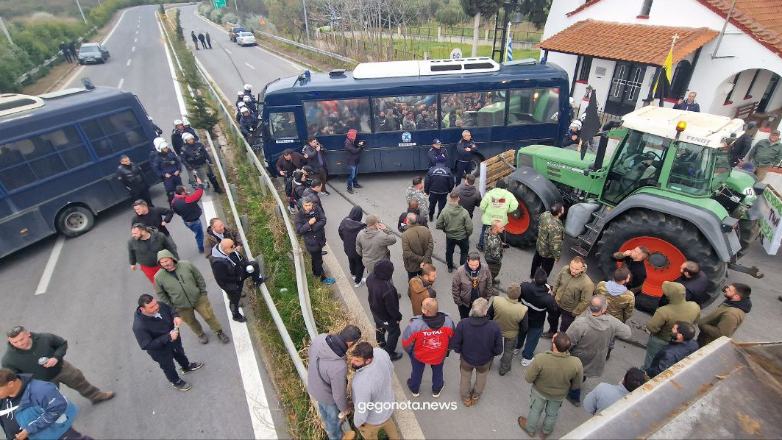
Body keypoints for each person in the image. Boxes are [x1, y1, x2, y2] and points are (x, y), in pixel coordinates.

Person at [3, 327, 114, 405]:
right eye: (15, 342)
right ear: (10, 341)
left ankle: (96, 396)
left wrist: (56, 357)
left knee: (79, 381)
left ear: (28, 334)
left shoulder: (45, 338)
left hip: (61, 368)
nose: (20, 344)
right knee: (51, 401)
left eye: (22, 339)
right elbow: (14, 377)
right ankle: (60, 419)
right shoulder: (9, 359)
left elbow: (62, 344)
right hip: (42, 382)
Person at [565, 295, 632, 406]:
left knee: (574, 373)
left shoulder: (580, 323)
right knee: (583, 374)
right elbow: (628, 333)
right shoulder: (611, 322)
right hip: (596, 357)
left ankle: (574, 395)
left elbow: (568, 342)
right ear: (604, 309)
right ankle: (577, 385)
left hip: (578, 356)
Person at [154, 250, 229, 344]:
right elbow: (161, 294)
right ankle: (200, 334)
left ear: (171, 258)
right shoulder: (158, 277)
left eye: (166, 261)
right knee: (191, 321)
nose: (165, 264)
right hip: (180, 306)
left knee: (209, 316)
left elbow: (198, 277)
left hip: (199, 298)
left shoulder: (186, 265)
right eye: (162, 262)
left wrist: (203, 292)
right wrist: (172, 306)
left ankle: (219, 332)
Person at [133, 294, 204, 391]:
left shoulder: (159, 305)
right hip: (160, 351)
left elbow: (171, 309)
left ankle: (186, 366)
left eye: (155, 304)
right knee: (168, 366)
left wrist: (176, 316)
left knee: (180, 353)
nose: (156, 307)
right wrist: (168, 337)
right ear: (142, 309)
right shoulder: (139, 326)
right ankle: (175, 381)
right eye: (151, 307)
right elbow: (146, 345)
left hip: (174, 340)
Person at [518, 332, 583, 439]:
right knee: (552, 414)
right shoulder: (576, 363)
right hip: (559, 395)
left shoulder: (541, 359)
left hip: (539, 391)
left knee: (535, 410)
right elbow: (577, 384)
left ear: (554, 345)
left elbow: (528, 378)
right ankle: (545, 432)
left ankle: (530, 429)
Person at [0, 369, 89, 440]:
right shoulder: (3, 397)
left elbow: (57, 409)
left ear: (11, 384)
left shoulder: (42, 390)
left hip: (56, 434)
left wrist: (28, 430)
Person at [307, 325, 361, 440]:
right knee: (333, 419)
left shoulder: (320, 338)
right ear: (351, 343)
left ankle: (326, 424)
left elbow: (309, 353)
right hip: (326, 396)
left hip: (312, 383)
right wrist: (345, 408)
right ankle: (336, 436)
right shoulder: (339, 367)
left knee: (323, 411)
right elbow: (338, 395)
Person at [451, 298, 502, 407]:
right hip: (484, 361)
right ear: (485, 311)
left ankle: (465, 398)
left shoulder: (463, 323)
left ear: (472, 309)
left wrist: (461, 352)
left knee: (465, 378)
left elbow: (455, 345)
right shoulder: (494, 326)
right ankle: (475, 396)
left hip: (466, 359)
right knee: (481, 379)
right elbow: (498, 349)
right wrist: (491, 354)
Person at [402, 298, 456, 398]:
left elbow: (406, 342)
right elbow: (452, 339)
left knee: (417, 371)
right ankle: (436, 389)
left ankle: (414, 389)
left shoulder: (415, 324)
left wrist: (411, 353)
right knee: (438, 371)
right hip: (439, 354)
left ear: (426, 311)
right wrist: (446, 351)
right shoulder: (448, 321)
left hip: (419, 355)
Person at [644, 281, 701, 369]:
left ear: (669, 296)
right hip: (679, 343)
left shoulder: (663, 311)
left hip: (660, 340)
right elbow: (695, 321)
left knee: (650, 362)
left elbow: (652, 327)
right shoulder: (694, 306)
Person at [349, 342, 399, 440]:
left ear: (368, 360)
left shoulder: (361, 382)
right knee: (394, 435)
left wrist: (358, 423)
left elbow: (362, 409)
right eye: (353, 358)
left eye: (357, 360)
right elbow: (391, 369)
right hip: (387, 409)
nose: (352, 362)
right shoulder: (380, 353)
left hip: (372, 420)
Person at [210, 239, 264, 323]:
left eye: (234, 245)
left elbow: (241, 259)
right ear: (225, 249)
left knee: (254, 265)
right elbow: (223, 278)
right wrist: (237, 279)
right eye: (232, 246)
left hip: (239, 274)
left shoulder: (231, 251)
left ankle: (257, 281)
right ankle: (236, 315)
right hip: (230, 283)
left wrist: (247, 265)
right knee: (234, 299)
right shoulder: (218, 263)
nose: (234, 247)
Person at [518, 268, 558, 366]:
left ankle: (516, 347)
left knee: (520, 333)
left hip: (523, 317)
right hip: (537, 322)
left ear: (534, 279)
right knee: (532, 340)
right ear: (545, 281)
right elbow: (553, 311)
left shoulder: (524, 286)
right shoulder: (547, 298)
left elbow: (518, 298)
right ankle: (526, 357)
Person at [546, 256, 594, 336]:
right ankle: (552, 332)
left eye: (577, 269)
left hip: (569, 310)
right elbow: (557, 280)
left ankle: (559, 342)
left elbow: (586, 301)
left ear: (582, 269)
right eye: (572, 267)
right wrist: (553, 293)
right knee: (551, 318)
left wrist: (575, 312)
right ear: (570, 264)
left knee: (564, 328)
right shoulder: (565, 269)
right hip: (557, 302)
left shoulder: (587, 283)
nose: (573, 271)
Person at [367, 260, 404, 361]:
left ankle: (380, 341)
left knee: (379, 326)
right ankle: (389, 353)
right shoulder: (388, 289)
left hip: (374, 310)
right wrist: (398, 317)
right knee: (395, 332)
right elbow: (392, 308)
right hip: (386, 316)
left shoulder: (370, 277)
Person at [295, 197, 335, 285]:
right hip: (311, 242)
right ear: (302, 205)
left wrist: (313, 227)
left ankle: (315, 273)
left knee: (315, 258)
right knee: (318, 260)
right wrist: (309, 223)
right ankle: (322, 278)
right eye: (306, 205)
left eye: (310, 205)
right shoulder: (299, 216)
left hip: (320, 238)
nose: (308, 207)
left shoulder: (317, 208)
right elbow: (299, 231)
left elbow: (323, 220)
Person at [436, 191, 472, 273]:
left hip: (450, 236)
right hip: (462, 237)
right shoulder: (464, 212)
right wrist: (467, 234)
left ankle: (450, 267)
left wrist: (445, 229)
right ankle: (462, 269)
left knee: (449, 251)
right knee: (464, 252)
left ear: (449, 199)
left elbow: (438, 224)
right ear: (458, 199)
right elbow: (469, 227)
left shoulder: (444, 211)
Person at [452, 252, 495, 319]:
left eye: (476, 265)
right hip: (465, 302)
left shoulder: (485, 268)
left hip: (480, 301)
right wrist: (458, 302)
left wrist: (487, 298)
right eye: (471, 265)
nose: (474, 267)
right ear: (467, 261)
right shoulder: (460, 271)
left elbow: (489, 283)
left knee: (479, 318)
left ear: (479, 261)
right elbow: (455, 287)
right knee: (464, 318)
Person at [478, 179, 518, 250]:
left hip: (488, 219)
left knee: (485, 232)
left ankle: (481, 246)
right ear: (505, 187)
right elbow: (515, 205)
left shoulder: (489, 194)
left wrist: (485, 211)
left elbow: (482, 206)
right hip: (500, 221)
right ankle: (495, 248)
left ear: (496, 186)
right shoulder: (509, 195)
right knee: (499, 234)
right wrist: (507, 210)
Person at [530, 203, 565, 279]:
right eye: (562, 209)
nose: (563, 210)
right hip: (548, 253)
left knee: (536, 262)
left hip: (539, 245)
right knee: (546, 269)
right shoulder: (556, 227)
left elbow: (539, 224)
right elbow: (555, 245)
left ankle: (532, 275)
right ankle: (540, 282)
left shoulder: (545, 214)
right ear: (559, 213)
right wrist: (557, 257)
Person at [171, 183, 205, 253]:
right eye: (185, 190)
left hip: (186, 221)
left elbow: (177, 212)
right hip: (194, 221)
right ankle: (201, 248)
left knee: (197, 232)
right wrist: (200, 187)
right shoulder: (187, 200)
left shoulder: (174, 201)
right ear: (182, 192)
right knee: (199, 235)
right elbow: (197, 195)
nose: (187, 191)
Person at [338, 206, 366, 287]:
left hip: (347, 248)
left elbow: (340, 232)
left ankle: (353, 274)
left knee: (351, 261)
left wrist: (345, 240)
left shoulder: (344, 221)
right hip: (358, 250)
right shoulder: (362, 227)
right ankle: (358, 281)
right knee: (359, 264)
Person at [401, 213, 433, 280]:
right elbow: (430, 246)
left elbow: (407, 253)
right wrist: (425, 260)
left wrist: (421, 260)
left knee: (413, 282)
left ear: (407, 221)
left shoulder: (405, 235)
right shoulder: (425, 229)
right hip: (426, 262)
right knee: (425, 278)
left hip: (412, 265)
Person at [344, 129, 365, 193]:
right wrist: (361, 147)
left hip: (355, 160)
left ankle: (355, 184)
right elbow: (354, 151)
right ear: (351, 136)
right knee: (352, 175)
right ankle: (349, 188)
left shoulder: (351, 141)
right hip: (351, 162)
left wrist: (359, 144)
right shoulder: (347, 143)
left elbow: (355, 147)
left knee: (355, 174)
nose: (355, 136)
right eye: (354, 135)